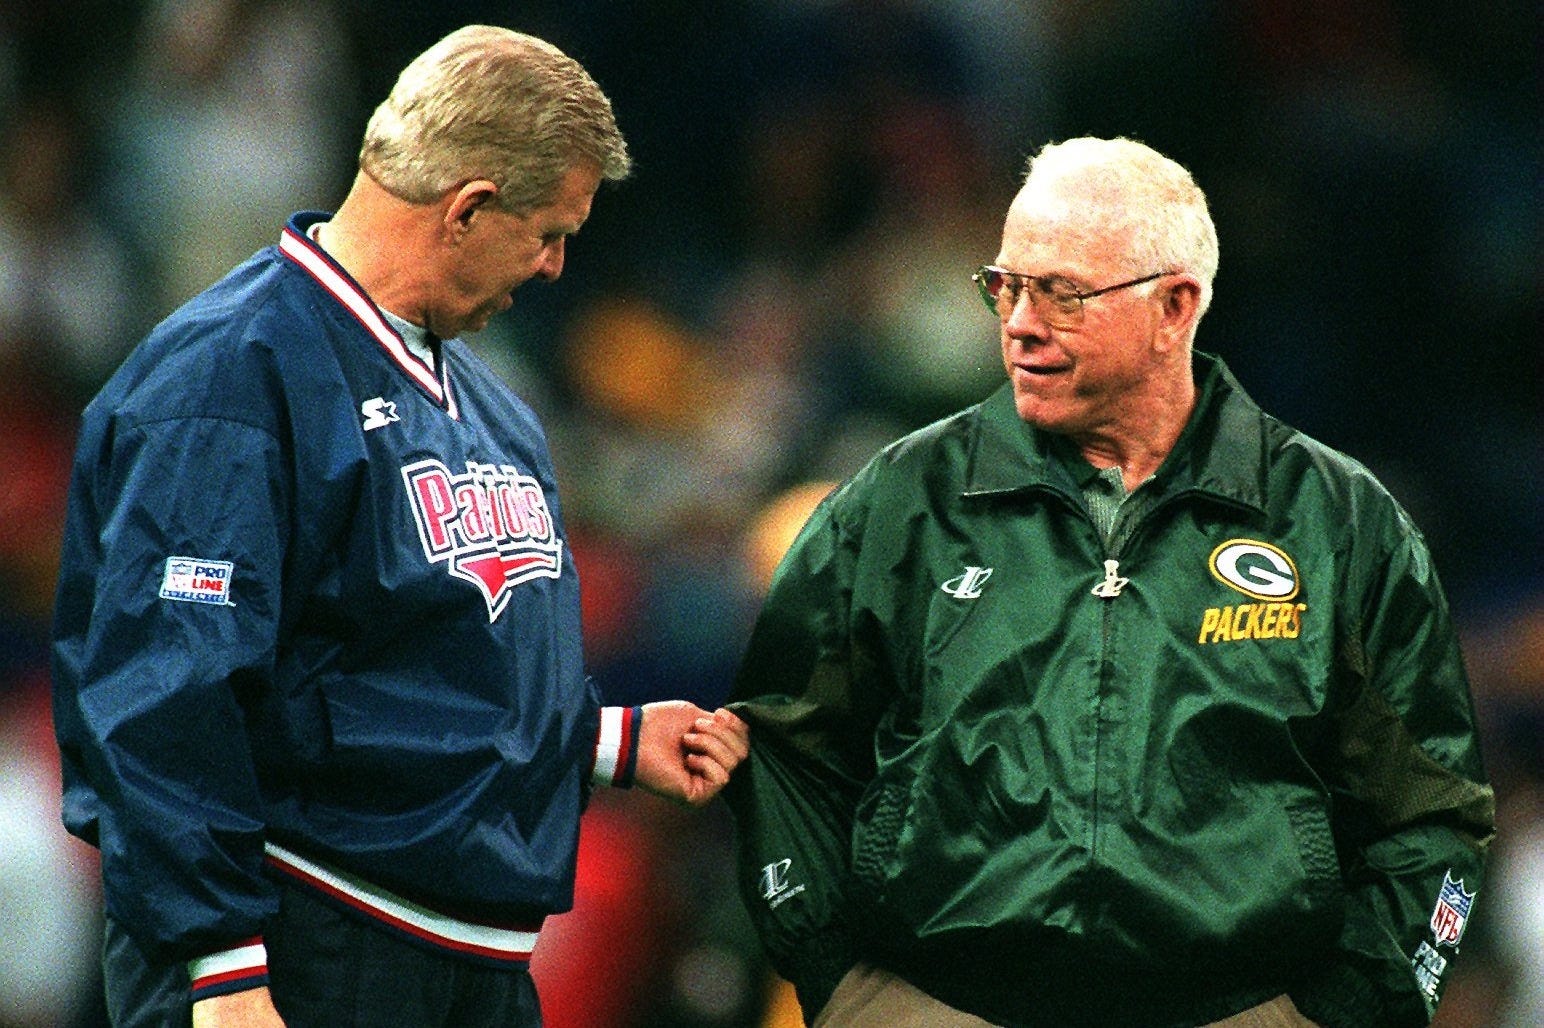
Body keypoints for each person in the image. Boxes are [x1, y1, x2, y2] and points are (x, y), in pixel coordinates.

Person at [51, 25, 748, 1028]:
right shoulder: (229, 371)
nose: (556, 266)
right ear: (466, 208)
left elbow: (402, 672)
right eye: (549, 230)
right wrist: (218, 962)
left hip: (470, 965)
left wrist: (604, 738)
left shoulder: (490, 401)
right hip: (301, 943)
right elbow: (168, 694)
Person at [722, 137, 1494, 1028]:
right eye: (1005, 285)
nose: (1018, 321)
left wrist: (1342, 1013)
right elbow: (781, 749)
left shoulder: (1339, 525)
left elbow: (1432, 817)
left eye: (1063, 293)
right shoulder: (896, 505)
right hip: (934, 1003)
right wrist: (850, 990)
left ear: (1175, 306)